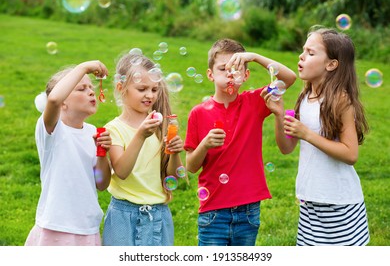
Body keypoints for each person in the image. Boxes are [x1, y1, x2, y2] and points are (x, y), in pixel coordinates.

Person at [262, 27, 370, 246]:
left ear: (331, 64)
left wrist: (307, 134)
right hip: (310, 200)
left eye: (311, 53)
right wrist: (279, 113)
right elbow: (286, 147)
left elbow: (350, 154)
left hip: (339, 202)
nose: (301, 56)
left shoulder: (341, 100)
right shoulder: (305, 97)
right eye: (303, 51)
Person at [184, 38, 296, 246]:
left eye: (236, 69)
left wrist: (253, 57)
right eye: (223, 69)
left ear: (245, 75)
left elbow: (289, 78)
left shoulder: (254, 102)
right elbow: (190, 166)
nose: (230, 74)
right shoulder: (198, 113)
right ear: (210, 74)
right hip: (213, 212)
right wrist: (205, 145)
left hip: (248, 211)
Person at [25, 61, 112, 246]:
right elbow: (54, 99)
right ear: (64, 101)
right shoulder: (52, 130)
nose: (90, 92)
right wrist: (83, 68)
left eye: (91, 87)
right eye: (81, 88)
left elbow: (102, 183)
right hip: (57, 226)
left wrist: (103, 153)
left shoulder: (92, 132)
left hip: (88, 226)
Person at [102, 52, 184, 246]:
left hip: (158, 215)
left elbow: (173, 176)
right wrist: (140, 135)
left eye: (155, 89)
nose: (150, 95)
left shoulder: (161, 125)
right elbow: (121, 171)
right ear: (121, 88)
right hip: (123, 216)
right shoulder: (114, 129)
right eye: (142, 89)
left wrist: (175, 154)